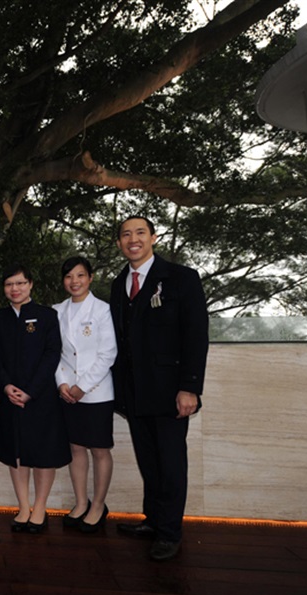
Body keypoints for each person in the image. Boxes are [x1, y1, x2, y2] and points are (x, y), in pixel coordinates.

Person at [109, 216, 209, 562]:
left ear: (153, 237)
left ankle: (170, 532)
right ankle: (153, 520)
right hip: (135, 393)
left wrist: (190, 388)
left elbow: (195, 337)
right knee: (149, 461)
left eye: (140, 233)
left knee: (170, 463)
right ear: (119, 242)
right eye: (126, 234)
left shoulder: (181, 278)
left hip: (170, 392)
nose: (132, 239)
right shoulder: (119, 282)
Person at [0, 264, 69, 534]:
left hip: (40, 397)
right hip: (9, 397)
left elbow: (52, 354)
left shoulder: (47, 316)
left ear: (30, 285)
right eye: (9, 284)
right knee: (15, 453)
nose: (15, 289)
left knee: (42, 454)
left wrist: (30, 390)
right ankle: (23, 506)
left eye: (20, 283)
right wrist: (5, 386)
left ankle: (40, 506)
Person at [53, 256, 117, 533]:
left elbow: (107, 354)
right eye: (69, 276)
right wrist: (62, 384)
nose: (74, 281)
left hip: (97, 392)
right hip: (67, 392)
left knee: (99, 450)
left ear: (90, 278)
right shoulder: (55, 311)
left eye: (80, 275)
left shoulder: (103, 310)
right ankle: (81, 502)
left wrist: (82, 387)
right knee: (76, 448)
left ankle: (99, 505)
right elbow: (53, 352)